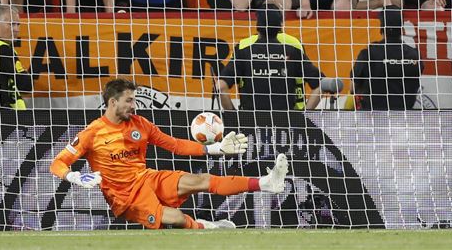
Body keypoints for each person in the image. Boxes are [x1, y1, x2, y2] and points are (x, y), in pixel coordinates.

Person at [50, 77, 289, 230]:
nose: (134, 105)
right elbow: (58, 163)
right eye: (129, 100)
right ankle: (207, 228)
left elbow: (174, 144)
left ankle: (266, 183)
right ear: (113, 102)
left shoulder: (140, 124)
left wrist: (215, 148)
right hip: (125, 198)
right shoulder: (92, 132)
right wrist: (76, 177)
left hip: (146, 178)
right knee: (175, 218)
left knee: (200, 180)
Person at [217, 7, 334, 110]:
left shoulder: (244, 52)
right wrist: (304, 116)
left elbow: (221, 87)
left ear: (257, 26)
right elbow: (321, 85)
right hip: (285, 124)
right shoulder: (292, 52)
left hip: (250, 123)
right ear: (280, 27)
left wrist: (233, 116)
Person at [351, 8, 422, 110]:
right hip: (405, 118)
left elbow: (352, 88)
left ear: (381, 29)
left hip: (372, 119)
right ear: (402, 29)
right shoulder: (415, 55)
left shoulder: (368, 53)